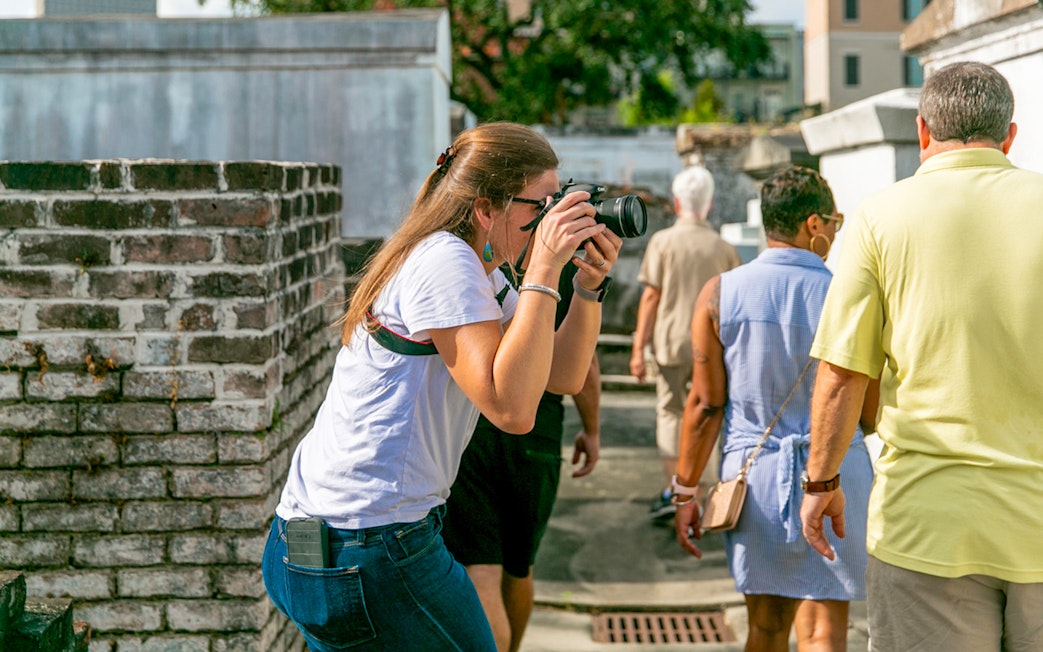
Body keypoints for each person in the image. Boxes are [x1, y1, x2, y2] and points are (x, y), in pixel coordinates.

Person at [261, 121, 622, 652]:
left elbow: (561, 377)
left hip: (335, 542)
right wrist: (546, 266)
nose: (550, 224)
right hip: (367, 548)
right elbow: (512, 410)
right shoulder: (446, 262)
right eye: (539, 209)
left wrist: (588, 288)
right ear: (485, 209)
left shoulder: (480, 268)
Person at [801, 61, 1043, 652]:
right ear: (1009, 135)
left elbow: (842, 373)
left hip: (928, 521)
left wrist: (821, 481)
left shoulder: (880, 216)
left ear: (922, 132)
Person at [674, 166, 878, 652]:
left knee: (765, 629)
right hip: (836, 476)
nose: (835, 230)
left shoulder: (720, 294)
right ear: (813, 225)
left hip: (755, 477)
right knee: (826, 632)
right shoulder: (849, 294)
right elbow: (869, 413)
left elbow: (705, 405)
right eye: (835, 221)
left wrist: (685, 491)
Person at [442, 259, 603, 652]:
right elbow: (584, 363)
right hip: (538, 433)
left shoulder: (476, 257)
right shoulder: (565, 260)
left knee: (481, 570)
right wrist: (592, 429)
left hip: (477, 428)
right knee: (519, 566)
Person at [629, 165, 743, 519]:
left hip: (669, 343)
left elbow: (650, 298)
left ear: (677, 202)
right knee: (708, 412)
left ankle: (673, 492)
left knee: (670, 412)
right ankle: (703, 493)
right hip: (711, 348)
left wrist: (639, 347)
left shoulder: (662, 242)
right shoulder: (724, 248)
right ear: (708, 204)